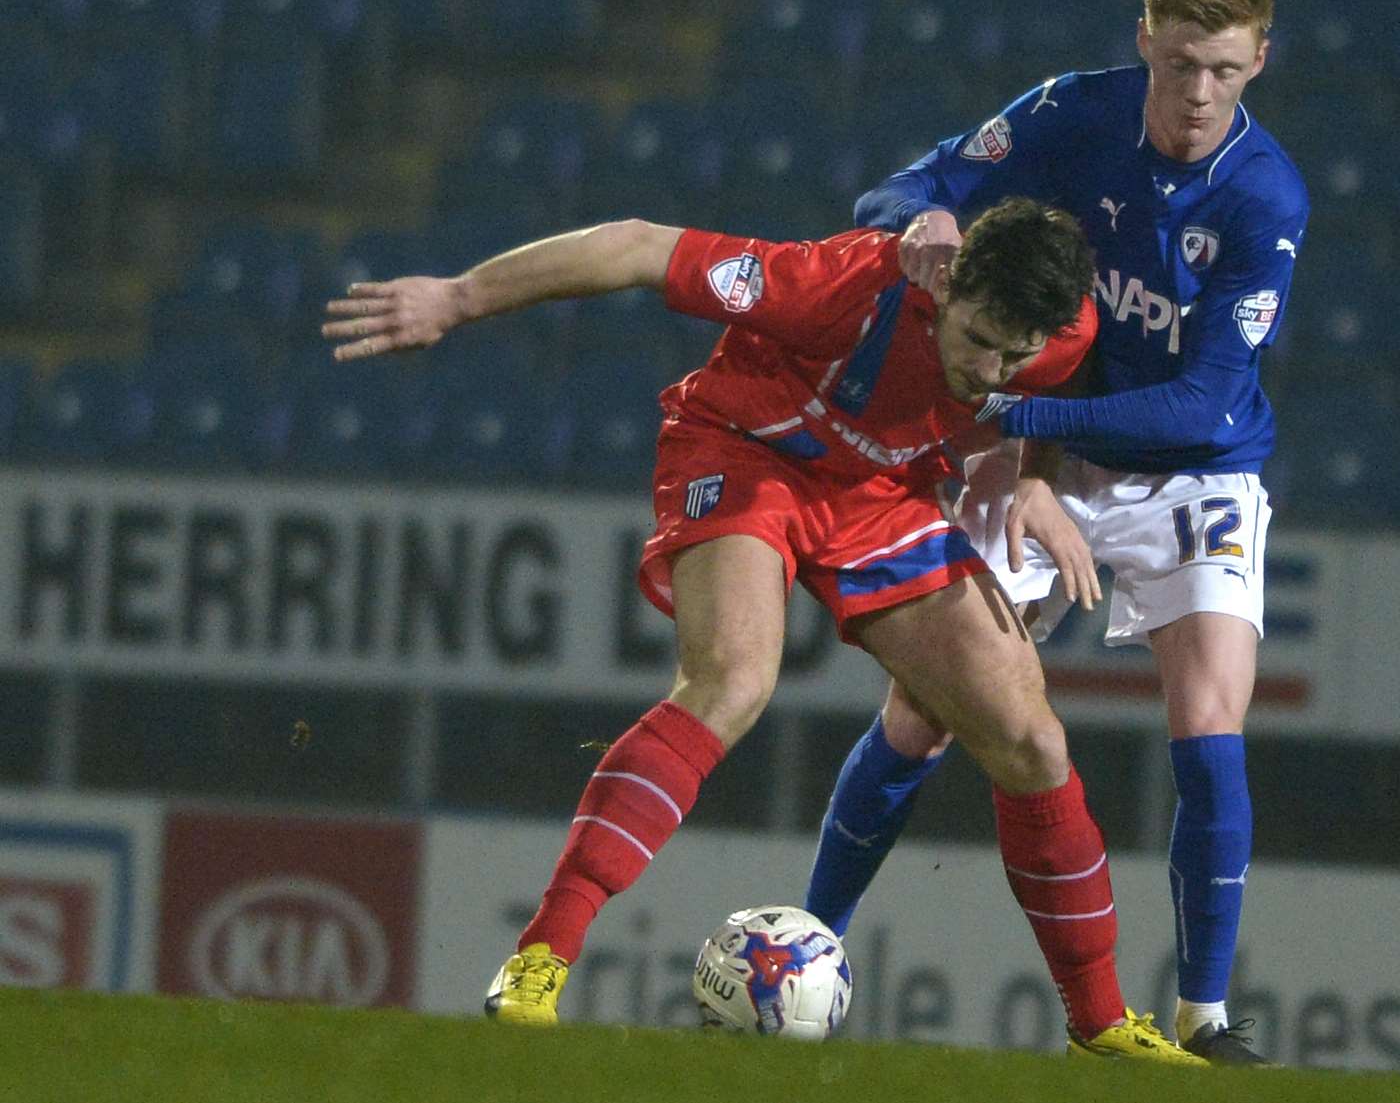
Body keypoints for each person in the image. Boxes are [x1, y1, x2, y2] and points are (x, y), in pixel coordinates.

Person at [321, 197, 1205, 1065]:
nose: (989, 370)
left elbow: (1049, 387)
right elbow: (636, 245)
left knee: (1032, 740)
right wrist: (458, 298)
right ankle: (538, 960)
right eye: (976, 340)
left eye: (1013, 354)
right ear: (948, 282)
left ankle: (1100, 1027)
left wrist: (1030, 475)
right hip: (746, 452)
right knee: (733, 682)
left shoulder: (1057, 334)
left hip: (879, 497)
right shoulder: (837, 286)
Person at [801, 0, 1308, 1065]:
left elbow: (1196, 402)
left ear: (1261, 62)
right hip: (1047, 453)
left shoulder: (1265, 198)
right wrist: (921, 219)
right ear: (1145, 42)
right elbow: (908, 183)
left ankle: (1204, 1018)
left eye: (1223, 71)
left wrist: (1018, 428)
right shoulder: (1073, 112)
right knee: (927, 711)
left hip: (1193, 468)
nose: (1196, 95)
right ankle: (807, 946)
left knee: (1210, 724)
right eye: (1180, 64)